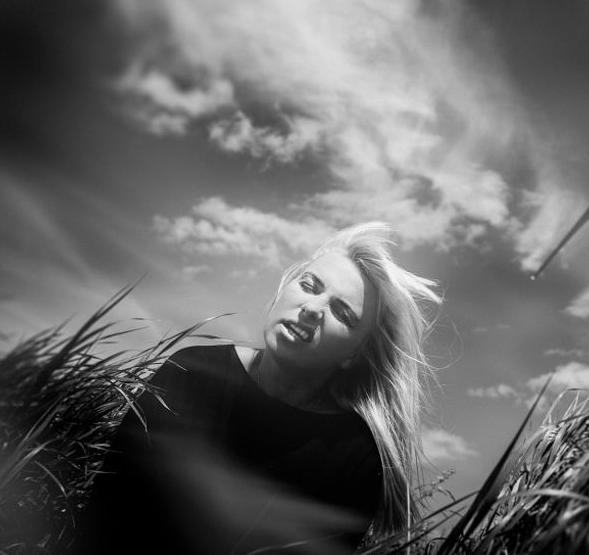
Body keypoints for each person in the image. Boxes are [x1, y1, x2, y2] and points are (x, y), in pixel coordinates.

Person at [76, 222, 441, 554]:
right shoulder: (191, 371)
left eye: (342, 313)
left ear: (354, 356)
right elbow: (105, 510)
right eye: (309, 285)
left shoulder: (355, 457)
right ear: (284, 289)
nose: (312, 308)